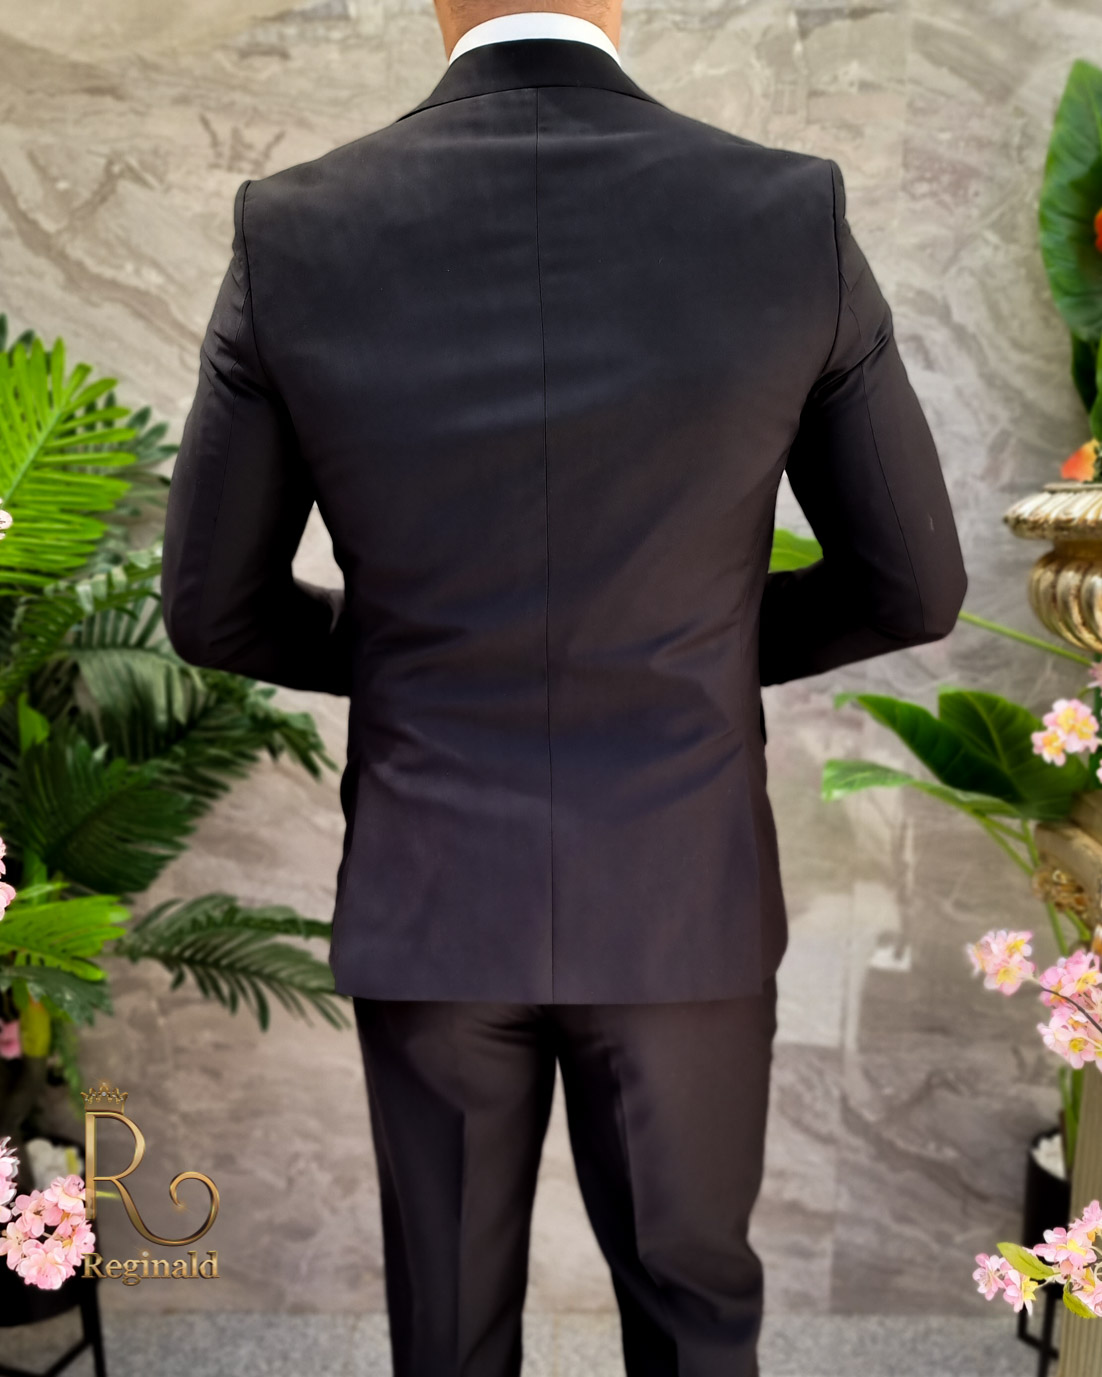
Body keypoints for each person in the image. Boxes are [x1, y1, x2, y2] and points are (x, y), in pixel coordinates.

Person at [160, 3, 968, 1373]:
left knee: (447, 1336)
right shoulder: (788, 216)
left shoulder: (294, 228)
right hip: (679, 896)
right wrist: (679, 643)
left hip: (434, 893)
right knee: (694, 1320)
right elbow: (913, 585)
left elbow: (212, 608)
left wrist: (429, 652)